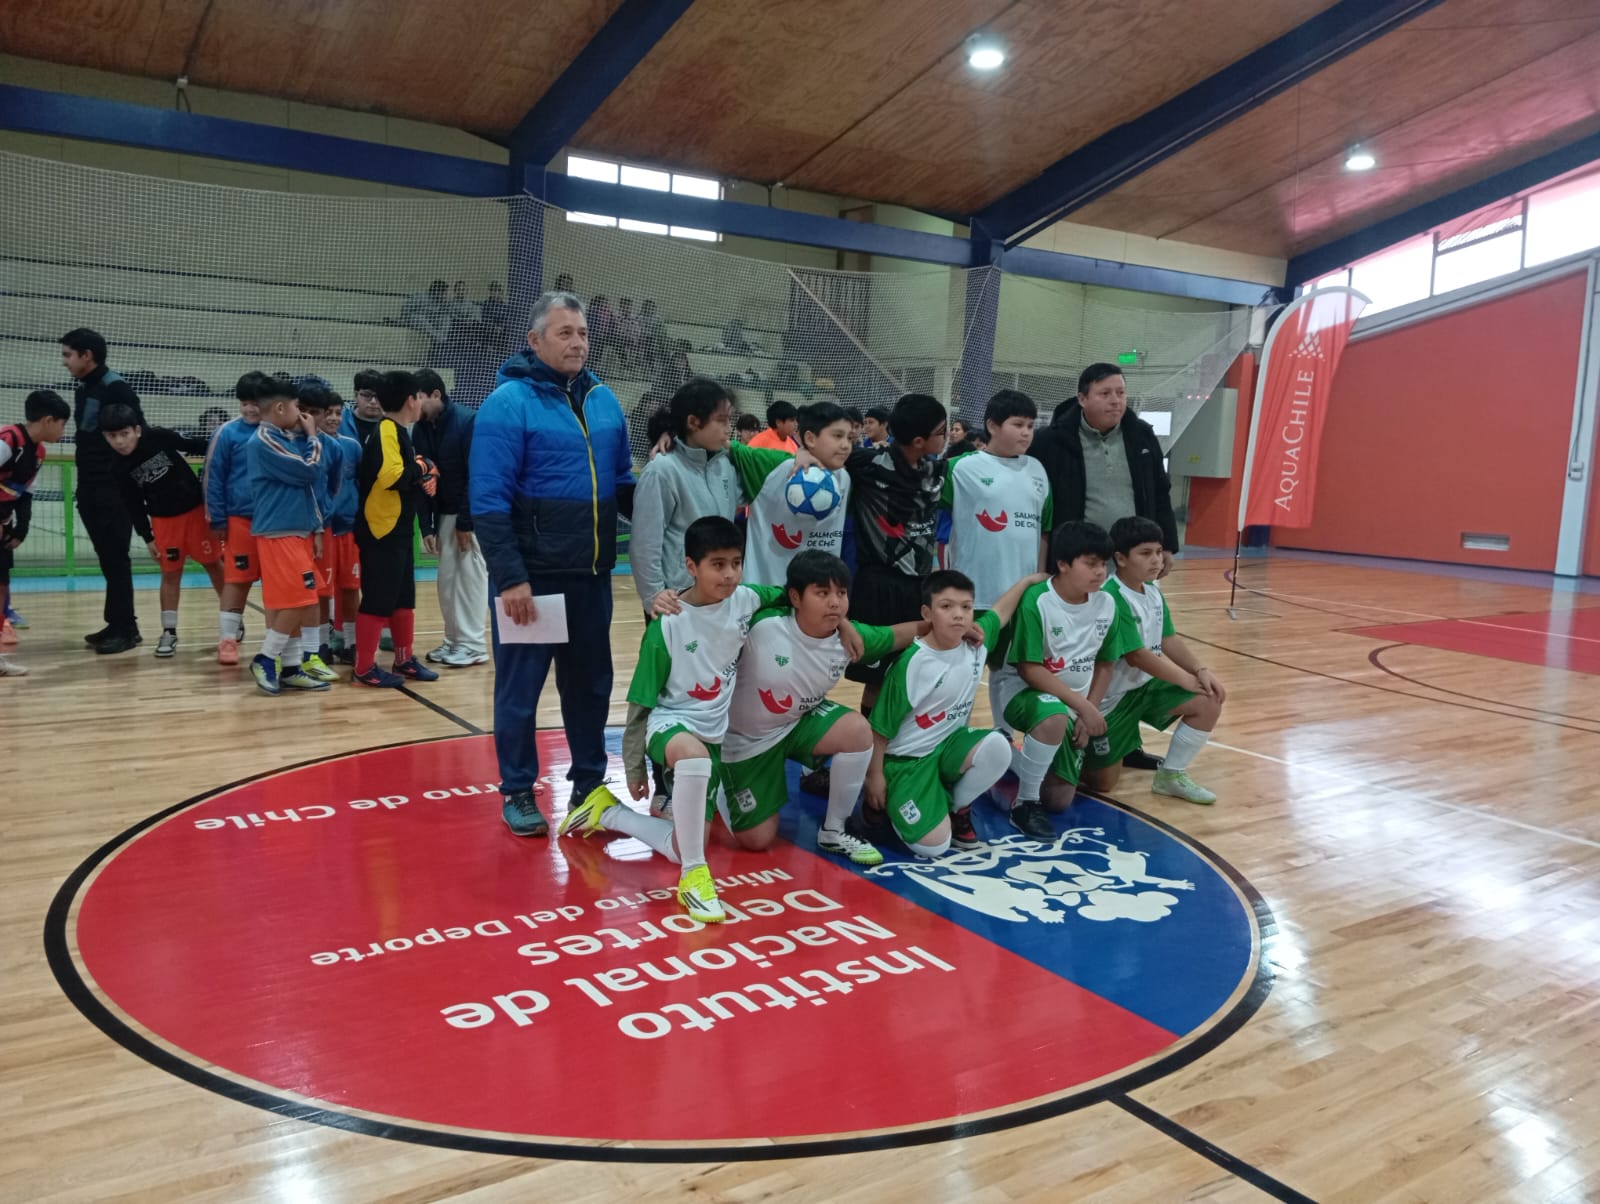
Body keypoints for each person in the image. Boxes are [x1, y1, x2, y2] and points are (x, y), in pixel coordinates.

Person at [469, 290, 636, 838]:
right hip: (533, 582)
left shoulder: (606, 401)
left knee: (590, 687)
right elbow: (489, 502)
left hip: (591, 577)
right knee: (521, 690)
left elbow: (622, 485)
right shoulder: (507, 404)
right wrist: (512, 577)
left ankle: (588, 786)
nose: (577, 343)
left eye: (583, 333)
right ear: (535, 340)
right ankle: (518, 789)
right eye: (565, 333)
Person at [576, 516, 785, 923]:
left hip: (713, 735)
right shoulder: (667, 623)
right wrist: (634, 766)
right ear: (691, 566)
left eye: (736, 563)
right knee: (694, 763)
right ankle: (694, 880)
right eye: (717, 565)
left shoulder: (747, 599)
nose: (729, 575)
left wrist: (842, 620)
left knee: (683, 841)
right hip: (669, 725)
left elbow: (790, 596)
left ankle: (608, 811)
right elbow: (640, 703)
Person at [717, 551, 919, 866]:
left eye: (841, 593)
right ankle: (720, 781)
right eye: (823, 594)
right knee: (757, 840)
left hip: (796, 723)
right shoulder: (761, 626)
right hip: (745, 742)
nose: (835, 603)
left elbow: (898, 635)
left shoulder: (851, 639)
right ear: (795, 597)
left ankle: (835, 830)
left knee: (857, 730)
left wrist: (947, 623)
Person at [1028, 362, 1181, 773]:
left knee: (1132, 654)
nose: (1116, 401)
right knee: (1082, 652)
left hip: (1130, 560)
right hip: (1081, 562)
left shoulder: (1141, 435)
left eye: (1121, 393)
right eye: (1105, 393)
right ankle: (1066, 730)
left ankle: (1122, 738)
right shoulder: (1052, 440)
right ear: (1082, 398)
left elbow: (1161, 494)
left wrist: (1166, 545)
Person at [867, 569, 1041, 857]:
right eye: (946, 607)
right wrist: (874, 777)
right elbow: (879, 729)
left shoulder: (977, 644)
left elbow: (1000, 612)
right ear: (927, 613)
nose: (958, 615)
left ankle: (955, 807)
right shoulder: (914, 663)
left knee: (999, 746)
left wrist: (1026, 581)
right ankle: (889, 807)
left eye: (966, 607)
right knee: (932, 847)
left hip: (948, 749)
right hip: (907, 762)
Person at [1083, 516, 1225, 804]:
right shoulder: (1111, 596)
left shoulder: (1153, 592)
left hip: (1145, 688)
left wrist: (1200, 670)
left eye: (1159, 552)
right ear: (1121, 559)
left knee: (1210, 697)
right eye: (1145, 554)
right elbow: (1137, 656)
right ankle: (1073, 754)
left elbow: (1168, 638)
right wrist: (1185, 679)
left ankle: (1170, 776)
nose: (1156, 561)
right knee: (1103, 785)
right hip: (1112, 699)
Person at [1001, 522, 1131, 838]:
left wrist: (1089, 709)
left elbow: (1105, 663)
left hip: (1076, 706)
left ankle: (1005, 758)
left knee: (1059, 802)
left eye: (1103, 564)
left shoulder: (1107, 603)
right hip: (1026, 696)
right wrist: (1082, 708)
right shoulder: (1039, 600)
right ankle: (1024, 804)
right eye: (1090, 563)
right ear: (1063, 564)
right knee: (1054, 716)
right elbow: (1030, 669)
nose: (1100, 572)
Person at [941, 389, 1052, 732]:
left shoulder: (1038, 470)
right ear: (992, 425)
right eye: (1018, 424)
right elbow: (937, 530)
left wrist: (1037, 583)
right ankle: (950, 739)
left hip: (1020, 597)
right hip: (974, 596)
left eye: (1031, 426)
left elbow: (1043, 532)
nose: (1026, 433)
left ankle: (1003, 740)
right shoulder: (959, 469)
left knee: (1009, 674)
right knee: (962, 672)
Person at [840, 393, 948, 715]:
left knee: (914, 672)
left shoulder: (937, 470)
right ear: (918, 440)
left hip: (921, 586)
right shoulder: (866, 464)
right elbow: (829, 457)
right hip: (880, 585)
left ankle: (899, 748)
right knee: (876, 679)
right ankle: (866, 749)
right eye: (941, 431)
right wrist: (804, 455)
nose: (945, 437)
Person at [100, 403, 224, 661]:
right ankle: (169, 631)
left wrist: (225, 441)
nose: (120, 442)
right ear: (105, 437)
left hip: (196, 513)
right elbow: (133, 505)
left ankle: (232, 621)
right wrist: (148, 537)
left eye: (124, 434)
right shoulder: (117, 468)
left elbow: (197, 446)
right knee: (170, 574)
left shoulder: (158, 436)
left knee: (214, 565)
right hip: (164, 522)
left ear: (137, 430)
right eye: (112, 436)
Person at [59, 328, 145, 653]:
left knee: (117, 558)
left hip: (114, 489)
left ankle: (127, 629)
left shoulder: (117, 388)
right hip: (91, 486)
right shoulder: (85, 388)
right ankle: (117, 622)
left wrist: (125, 483)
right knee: (108, 558)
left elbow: (138, 434)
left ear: (87, 356)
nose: (65, 362)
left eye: (69, 355)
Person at [244, 378, 331, 695]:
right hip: (279, 533)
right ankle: (266, 658)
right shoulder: (265, 440)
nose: (300, 413)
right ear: (280, 407)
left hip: (297, 531)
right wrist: (313, 437)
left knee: (302, 600)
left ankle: (292, 667)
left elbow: (307, 489)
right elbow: (309, 471)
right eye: (296, 406)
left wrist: (316, 527)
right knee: (300, 598)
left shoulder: (282, 436)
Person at [629, 378, 741, 620]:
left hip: (719, 595)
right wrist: (653, 597)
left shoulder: (727, 466)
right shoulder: (662, 470)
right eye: (721, 420)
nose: (728, 428)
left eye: (730, 420)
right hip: (676, 601)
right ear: (693, 422)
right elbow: (645, 543)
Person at [353, 371, 437, 688]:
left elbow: (404, 473)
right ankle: (363, 667)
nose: (422, 402)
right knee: (377, 599)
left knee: (404, 597)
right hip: (381, 530)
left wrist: (421, 471)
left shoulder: (400, 432)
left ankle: (403, 659)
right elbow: (391, 476)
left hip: (399, 528)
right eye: (419, 396)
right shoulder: (387, 430)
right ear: (409, 400)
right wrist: (423, 467)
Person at [729, 400, 853, 587]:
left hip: (818, 598)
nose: (846, 445)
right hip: (765, 596)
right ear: (810, 439)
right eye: (837, 436)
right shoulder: (773, 466)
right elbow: (726, 446)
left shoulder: (845, 477)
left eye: (849, 438)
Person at [413, 369, 487, 667]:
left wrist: (466, 522)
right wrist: (427, 527)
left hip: (470, 514)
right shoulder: (420, 430)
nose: (414, 405)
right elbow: (423, 480)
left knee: (470, 579)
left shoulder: (468, 421)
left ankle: (473, 645)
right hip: (443, 513)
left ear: (436, 395)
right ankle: (454, 640)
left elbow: (477, 475)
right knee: (447, 581)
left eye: (418, 398)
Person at [0, 390, 70, 674]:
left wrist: (21, 528)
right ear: (48, 420)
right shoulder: (8, 440)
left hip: (4, 526)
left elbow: (25, 493)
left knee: (2, 588)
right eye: (63, 424)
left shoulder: (38, 452)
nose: (64, 431)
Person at [205, 372, 268, 666]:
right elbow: (213, 478)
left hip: (275, 522)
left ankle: (276, 640)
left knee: (277, 583)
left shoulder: (280, 432)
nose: (250, 409)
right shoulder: (227, 433)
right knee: (236, 579)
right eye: (245, 403)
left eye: (256, 403)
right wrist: (217, 518)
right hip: (239, 521)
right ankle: (228, 640)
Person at [291, 386, 344, 678]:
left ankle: (318, 649)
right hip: (288, 529)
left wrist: (321, 520)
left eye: (315, 413)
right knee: (292, 592)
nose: (308, 418)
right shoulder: (282, 442)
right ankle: (291, 651)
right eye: (304, 411)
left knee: (321, 590)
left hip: (321, 528)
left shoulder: (334, 448)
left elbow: (332, 486)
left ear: (324, 415)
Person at [317, 394, 363, 664]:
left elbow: (360, 485)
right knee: (323, 590)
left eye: (338, 412)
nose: (334, 418)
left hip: (350, 528)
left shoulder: (352, 447)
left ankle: (351, 642)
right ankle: (321, 644)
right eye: (328, 412)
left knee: (350, 586)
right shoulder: (309, 447)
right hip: (323, 531)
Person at [340, 371, 384, 444]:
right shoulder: (339, 419)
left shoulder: (393, 424)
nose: (373, 401)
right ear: (356, 395)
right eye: (367, 395)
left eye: (379, 396)